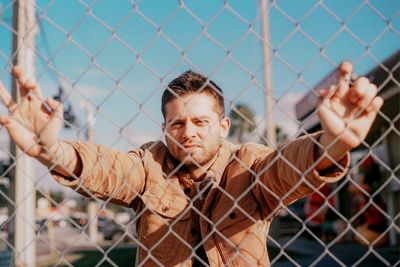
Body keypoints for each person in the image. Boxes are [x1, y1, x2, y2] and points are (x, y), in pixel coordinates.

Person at [0, 62, 383, 266]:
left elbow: (285, 168)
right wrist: (51, 150)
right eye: (178, 123)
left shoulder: (247, 165)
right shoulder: (149, 163)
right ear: (165, 128)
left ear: (223, 125)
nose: (189, 133)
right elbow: (107, 167)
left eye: (200, 122)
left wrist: (331, 145)